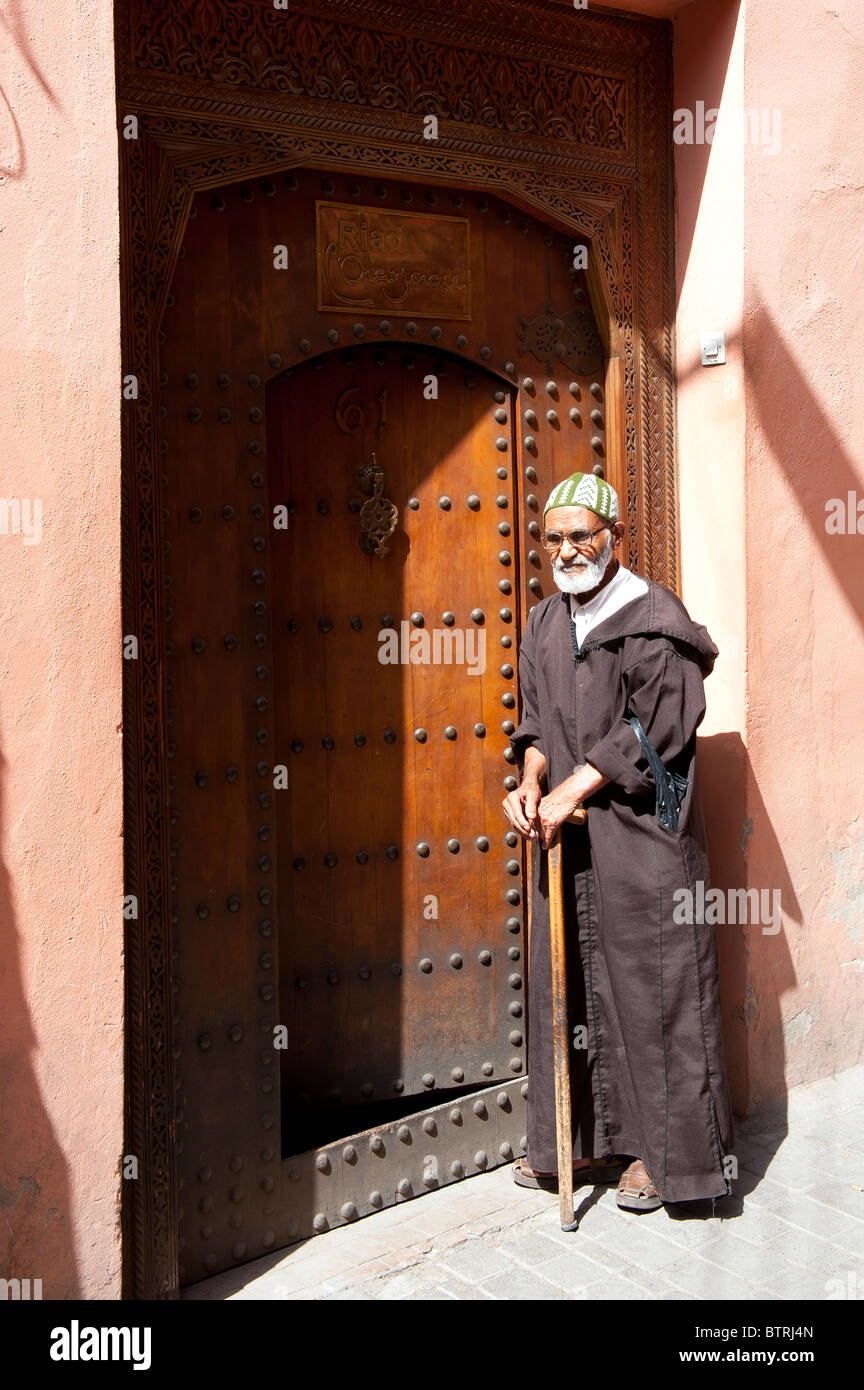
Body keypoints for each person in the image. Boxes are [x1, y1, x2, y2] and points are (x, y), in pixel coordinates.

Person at [502, 470, 734, 1210]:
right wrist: (533, 779)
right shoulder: (545, 621)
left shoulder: (653, 621)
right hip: (569, 834)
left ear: (615, 537)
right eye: (554, 538)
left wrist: (579, 785)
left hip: (641, 835)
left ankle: (668, 1161)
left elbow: (656, 728)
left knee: (653, 986)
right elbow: (536, 717)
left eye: (582, 535)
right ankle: (583, 1143)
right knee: (570, 978)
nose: (567, 550)